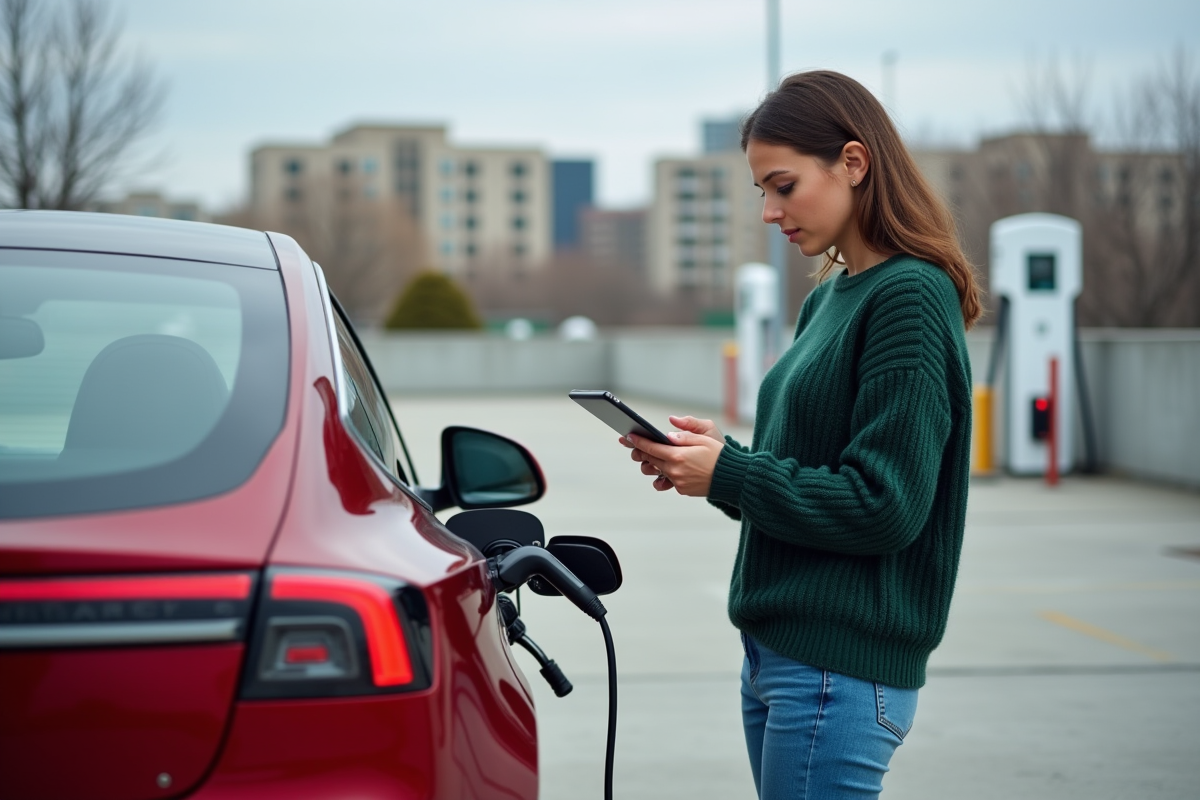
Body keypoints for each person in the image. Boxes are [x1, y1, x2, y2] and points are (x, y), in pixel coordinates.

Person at [622, 70, 981, 800]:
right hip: (780, 653)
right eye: (761, 190)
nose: (768, 211)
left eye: (783, 185)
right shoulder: (830, 297)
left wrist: (733, 475)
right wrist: (715, 464)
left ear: (853, 163)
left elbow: (884, 504)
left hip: (837, 668)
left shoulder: (909, 296)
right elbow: (811, 475)